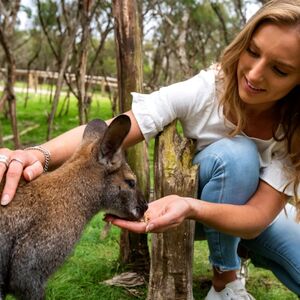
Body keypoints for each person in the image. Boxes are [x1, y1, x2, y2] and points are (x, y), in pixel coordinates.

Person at [0, 0, 300, 299]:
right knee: (237, 155)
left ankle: (239, 251)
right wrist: (38, 154)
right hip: (186, 210)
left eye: (280, 69)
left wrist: (194, 208)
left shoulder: (294, 129)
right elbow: (124, 125)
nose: (255, 74)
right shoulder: (210, 87)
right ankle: (226, 283)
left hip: (249, 215)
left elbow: (258, 216)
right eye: (253, 51)